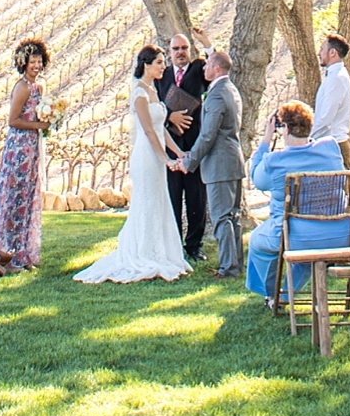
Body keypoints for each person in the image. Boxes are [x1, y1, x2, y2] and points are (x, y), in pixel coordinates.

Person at [75, 47, 191, 283]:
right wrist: (164, 159)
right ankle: (142, 253)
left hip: (156, 153)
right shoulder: (139, 93)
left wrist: (178, 151)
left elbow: (161, 129)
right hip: (147, 156)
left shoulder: (154, 91)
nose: (163, 67)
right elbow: (148, 131)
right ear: (146, 65)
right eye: (159, 62)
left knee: (159, 200)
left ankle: (161, 252)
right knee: (147, 201)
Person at [243, 101, 348, 306]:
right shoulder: (330, 148)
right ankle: (283, 296)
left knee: (259, 242)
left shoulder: (275, 160)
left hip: (296, 237)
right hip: (341, 235)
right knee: (307, 256)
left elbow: (257, 180)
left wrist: (266, 140)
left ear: (286, 129)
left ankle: (272, 293)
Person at [0, 38, 51, 275]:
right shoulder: (22, 87)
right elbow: (13, 120)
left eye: (39, 61)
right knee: (13, 201)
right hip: (18, 150)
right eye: (32, 61)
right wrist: (37, 125)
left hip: (32, 150)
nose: (36, 65)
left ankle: (23, 253)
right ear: (24, 63)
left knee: (26, 199)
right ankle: (5, 254)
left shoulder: (39, 88)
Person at [180, 49, 245, 276]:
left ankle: (229, 268)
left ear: (217, 68)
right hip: (232, 161)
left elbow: (208, 135)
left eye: (207, 65)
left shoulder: (217, 94)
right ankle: (235, 262)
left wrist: (189, 162)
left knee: (221, 217)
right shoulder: (232, 90)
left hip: (220, 164)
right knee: (232, 217)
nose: (204, 68)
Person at [157, 32, 208, 260]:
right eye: (176, 49)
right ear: (169, 53)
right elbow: (153, 106)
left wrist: (207, 43)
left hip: (195, 146)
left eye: (184, 48)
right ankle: (173, 244)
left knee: (196, 197)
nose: (180, 52)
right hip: (170, 146)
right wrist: (170, 117)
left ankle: (194, 246)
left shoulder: (199, 70)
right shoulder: (163, 75)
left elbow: (220, 68)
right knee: (173, 196)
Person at [310, 34, 350, 150]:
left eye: (322, 49)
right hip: (330, 144)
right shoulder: (334, 76)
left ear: (332, 53)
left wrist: (308, 140)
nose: (319, 53)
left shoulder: (337, 78)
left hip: (333, 146)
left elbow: (326, 117)